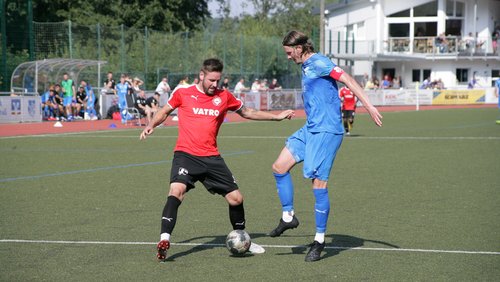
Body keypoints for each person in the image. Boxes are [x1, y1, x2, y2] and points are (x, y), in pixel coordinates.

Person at [139, 58, 294, 262]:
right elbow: (164, 111)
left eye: (218, 80)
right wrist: (152, 124)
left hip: (211, 158)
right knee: (176, 191)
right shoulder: (183, 93)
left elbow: (247, 112)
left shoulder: (224, 96)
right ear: (202, 75)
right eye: (211, 80)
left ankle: (242, 237)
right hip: (185, 155)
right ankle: (164, 240)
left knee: (236, 199)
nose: (215, 84)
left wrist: (276, 117)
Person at [269, 30, 382, 262]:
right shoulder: (305, 64)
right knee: (279, 167)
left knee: (318, 184)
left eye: (290, 53)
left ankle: (319, 241)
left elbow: (348, 80)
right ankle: (288, 216)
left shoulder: (320, 62)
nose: (288, 57)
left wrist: (369, 106)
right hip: (310, 128)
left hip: (327, 131)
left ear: (300, 48)